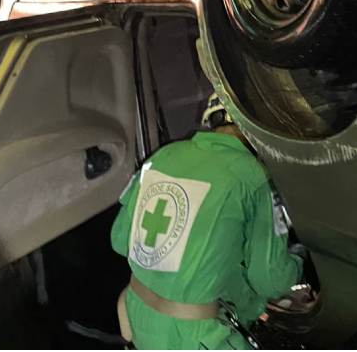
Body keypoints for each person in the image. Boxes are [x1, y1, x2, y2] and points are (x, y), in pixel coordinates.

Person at [111, 93, 304, 349]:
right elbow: (269, 279)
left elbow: (120, 240)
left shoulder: (162, 156)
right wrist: (298, 261)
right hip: (198, 336)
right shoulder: (254, 178)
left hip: (139, 318)